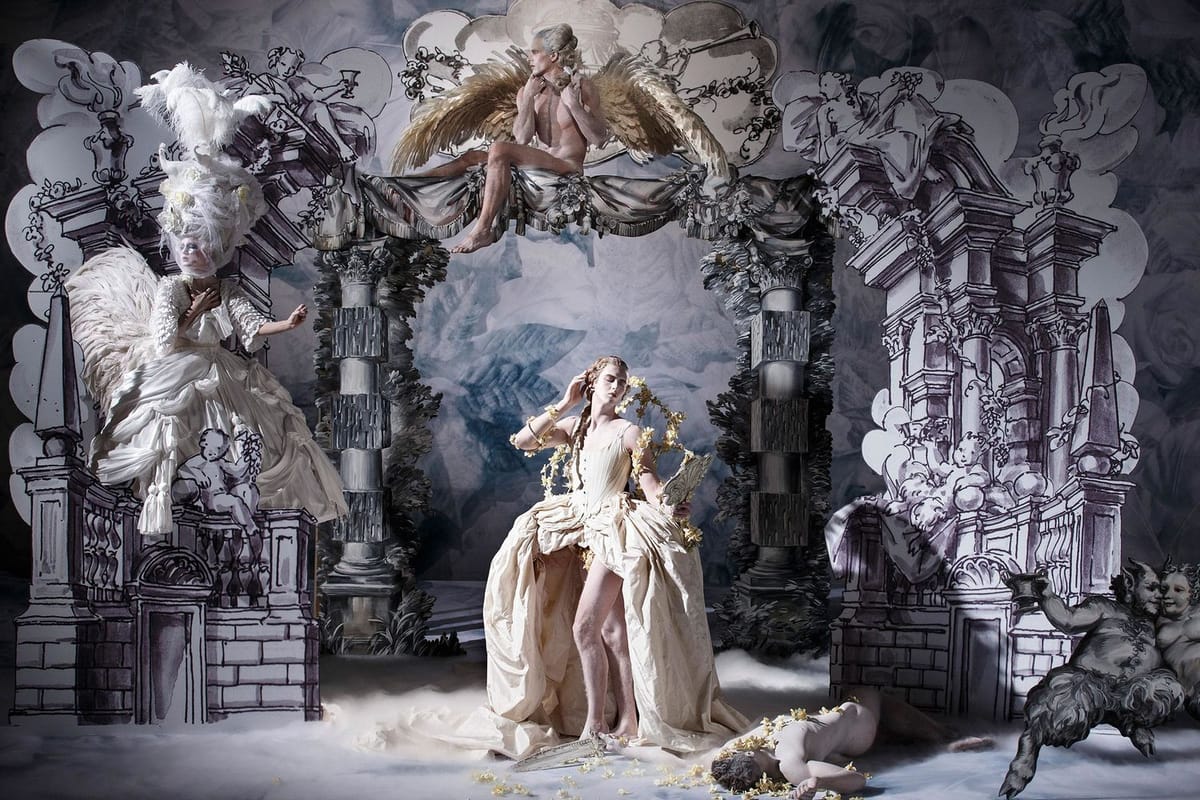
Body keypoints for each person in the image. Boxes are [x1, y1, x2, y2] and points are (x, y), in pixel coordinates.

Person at [70, 63, 348, 536]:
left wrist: (287, 324)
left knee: (257, 432)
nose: (190, 252)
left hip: (223, 371)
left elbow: (249, 324)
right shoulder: (172, 288)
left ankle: (230, 517)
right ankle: (169, 512)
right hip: (177, 370)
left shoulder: (227, 289)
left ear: (217, 248)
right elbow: (163, 343)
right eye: (185, 244)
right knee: (169, 432)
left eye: (199, 246)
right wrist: (193, 314)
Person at [476, 355, 746, 757]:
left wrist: (668, 503)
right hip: (578, 527)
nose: (617, 387)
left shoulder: (629, 432)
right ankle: (628, 718)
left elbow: (649, 482)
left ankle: (596, 723)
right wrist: (565, 402)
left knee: (585, 627)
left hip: (612, 530)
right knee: (612, 632)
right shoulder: (575, 428)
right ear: (591, 382)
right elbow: (523, 441)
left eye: (622, 381)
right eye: (609, 379)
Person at [412, 23, 607, 254]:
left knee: (499, 149)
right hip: (541, 161)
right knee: (472, 157)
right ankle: (414, 183)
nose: (529, 58)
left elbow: (599, 139)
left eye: (535, 52)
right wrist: (528, 98)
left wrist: (573, 105)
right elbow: (522, 138)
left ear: (553, 56)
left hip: (568, 166)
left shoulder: (581, 87)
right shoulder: (528, 91)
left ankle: (483, 230)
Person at [998, 559, 1184, 799]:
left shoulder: (1157, 624)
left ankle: (1129, 723)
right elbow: (1068, 621)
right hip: (1089, 684)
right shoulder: (1105, 608)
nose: (1158, 595)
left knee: (1165, 689)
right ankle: (1028, 750)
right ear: (1130, 585)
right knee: (1063, 705)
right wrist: (1047, 596)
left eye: (1161, 589)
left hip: (1129, 693)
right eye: (1151, 588)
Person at [609, 687, 988, 800]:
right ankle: (943, 737)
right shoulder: (790, 764)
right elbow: (858, 780)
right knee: (871, 696)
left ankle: (923, 737)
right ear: (761, 765)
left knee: (865, 725)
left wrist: (622, 748)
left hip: (838, 736)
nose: (748, 745)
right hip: (859, 726)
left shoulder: (724, 759)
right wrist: (816, 782)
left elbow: (675, 760)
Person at [171, 428, 261, 536]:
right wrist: (198, 475)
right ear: (203, 443)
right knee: (234, 501)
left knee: (248, 490)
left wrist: (247, 457)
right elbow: (182, 470)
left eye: (218, 448)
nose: (213, 451)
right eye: (209, 445)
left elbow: (236, 471)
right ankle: (250, 527)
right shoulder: (198, 461)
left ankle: (243, 524)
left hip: (224, 495)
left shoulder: (220, 462)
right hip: (212, 500)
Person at [1156, 561, 1200, 719]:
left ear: (1192, 593)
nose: (1167, 595)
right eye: (1164, 589)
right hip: (1189, 693)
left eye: (1178, 590)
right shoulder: (1157, 618)